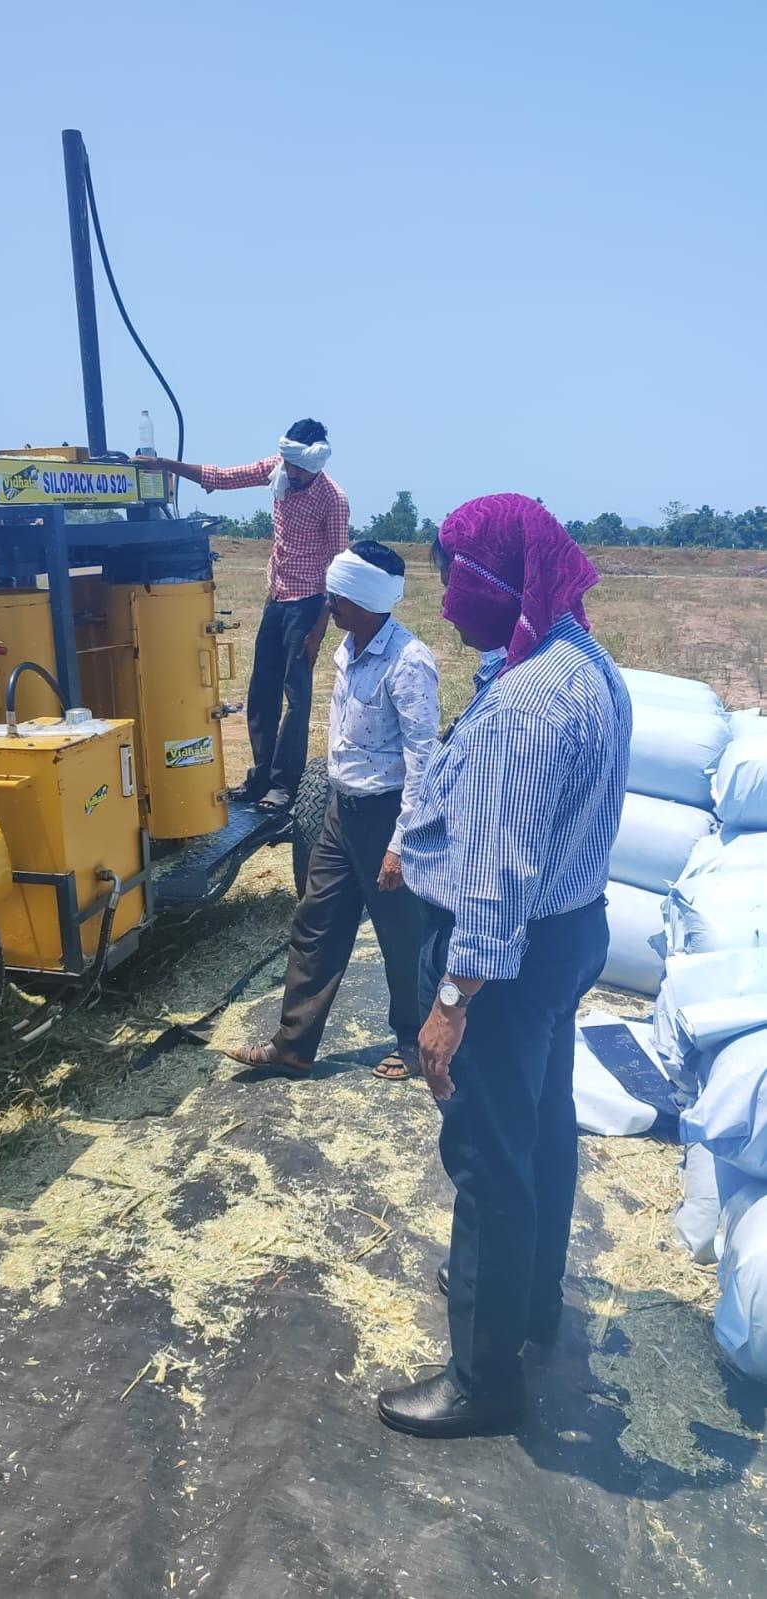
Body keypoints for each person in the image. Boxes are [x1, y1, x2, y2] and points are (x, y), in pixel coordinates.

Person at [377, 493, 632, 1440]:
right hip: (572, 931)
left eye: (455, 579)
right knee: (543, 1123)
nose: (444, 602)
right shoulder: (581, 663)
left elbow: (494, 882)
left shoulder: (524, 704)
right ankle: (526, 1302)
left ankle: (482, 1380)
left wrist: (449, 1002)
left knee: (485, 1152)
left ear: (501, 579)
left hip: (508, 955)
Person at [225, 540, 439, 1083]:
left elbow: (423, 760)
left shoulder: (409, 663)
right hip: (341, 813)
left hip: (386, 817)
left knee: (401, 936)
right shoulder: (346, 648)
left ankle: (414, 1043)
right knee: (316, 923)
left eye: (336, 596)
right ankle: (293, 1046)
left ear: (366, 600)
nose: (327, 604)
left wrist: (400, 844)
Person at [148, 420, 349, 811]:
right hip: (277, 597)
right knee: (261, 691)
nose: (290, 473)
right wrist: (168, 466)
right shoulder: (278, 468)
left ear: (317, 462)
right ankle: (259, 779)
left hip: (307, 604)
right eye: (288, 465)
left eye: (298, 468)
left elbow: (338, 568)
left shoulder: (332, 499)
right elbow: (222, 478)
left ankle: (283, 785)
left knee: (296, 695)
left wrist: (318, 629)